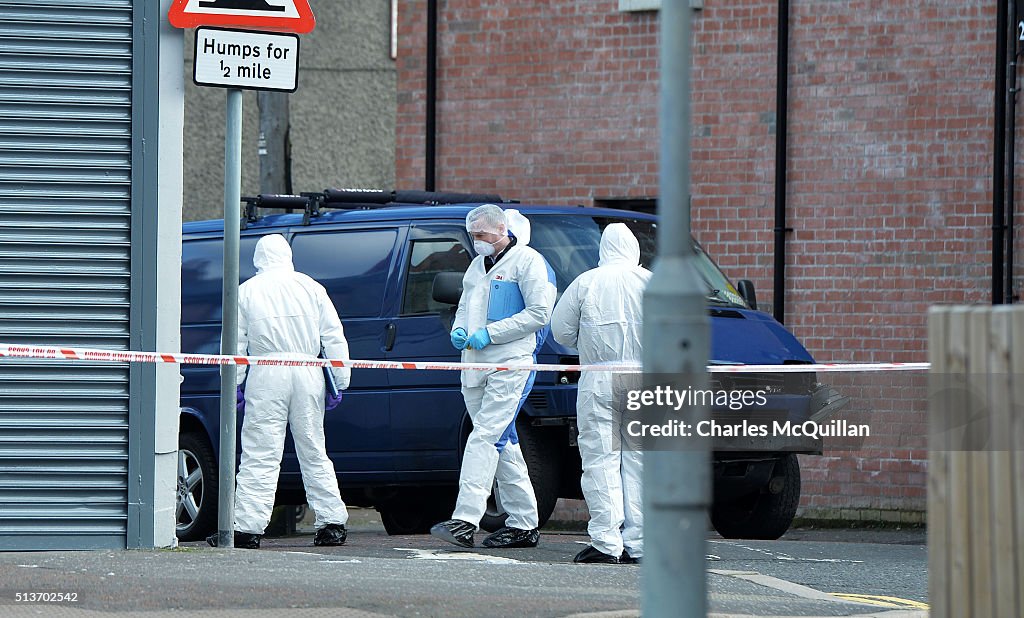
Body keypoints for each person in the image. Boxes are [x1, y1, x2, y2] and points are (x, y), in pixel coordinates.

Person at [207, 234, 351, 549]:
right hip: (308, 372)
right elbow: (333, 335)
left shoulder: (246, 291)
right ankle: (332, 523)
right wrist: (340, 379)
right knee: (314, 450)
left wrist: (233, 382)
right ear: (288, 256)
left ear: (258, 259)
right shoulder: (311, 287)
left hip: (267, 373)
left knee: (261, 453)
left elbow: (234, 342)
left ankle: (246, 529)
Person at [430, 205, 557, 549]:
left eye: (483, 235)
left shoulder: (528, 263)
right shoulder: (476, 266)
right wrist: (459, 329)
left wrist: (491, 333)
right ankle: (524, 523)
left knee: (484, 438)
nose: (477, 242)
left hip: (510, 363)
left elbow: (539, 314)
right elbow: (463, 306)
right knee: (504, 444)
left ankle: (465, 520)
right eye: (473, 236)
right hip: (474, 364)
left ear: (502, 229)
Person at [550, 223, 650, 564]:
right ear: (635, 248)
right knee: (641, 463)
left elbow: (561, 331)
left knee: (600, 461)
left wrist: (586, 343)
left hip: (599, 379)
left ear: (603, 249)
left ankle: (607, 542)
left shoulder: (587, 281)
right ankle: (641, 544)